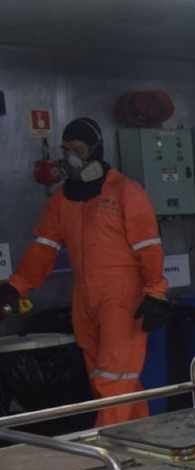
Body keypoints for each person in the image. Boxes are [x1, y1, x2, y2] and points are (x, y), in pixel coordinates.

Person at [0, 118, 171, 427]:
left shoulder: (125, 193)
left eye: (77, 149)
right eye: (66, 150)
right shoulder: (61, 201)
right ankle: (141, 439)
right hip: (85, 299)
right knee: (108, 379)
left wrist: (156, 293)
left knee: (113, 380)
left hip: (123, 302)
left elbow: (149, 248)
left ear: (95, 150)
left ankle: (105, 453)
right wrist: (16, 287)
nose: (71, 157)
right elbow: (43, 250)